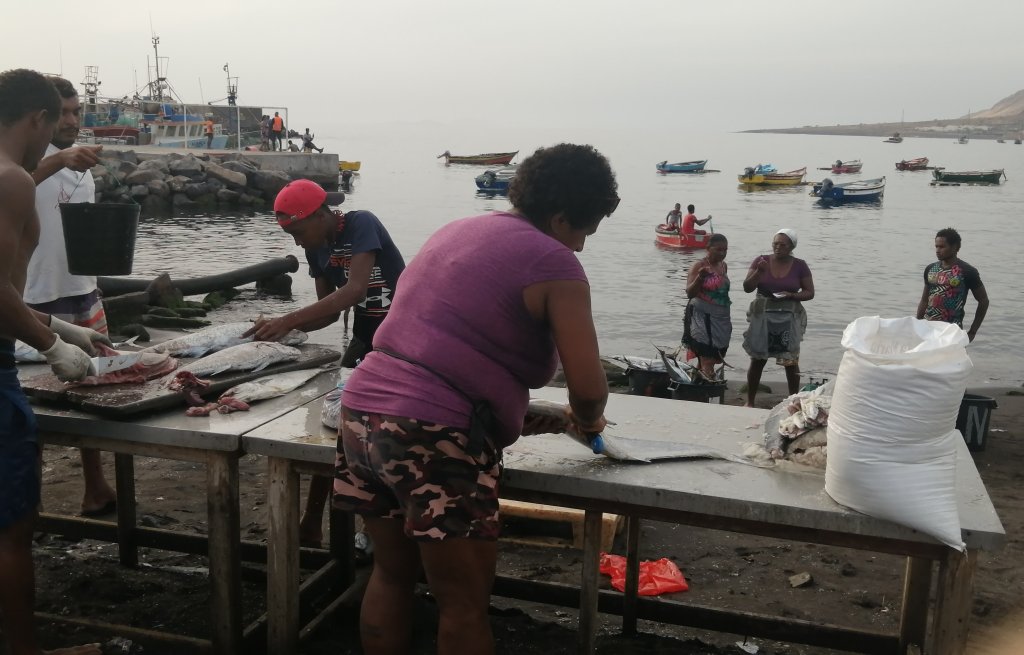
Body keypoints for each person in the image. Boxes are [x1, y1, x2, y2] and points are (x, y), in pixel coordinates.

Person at [333, 143, 615, 655]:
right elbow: (590, 388)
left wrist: (518, 411)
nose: (581, 248)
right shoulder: (555, 262)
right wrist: (589, 420)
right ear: (560, 218)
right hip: (431, 437)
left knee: (392, 574)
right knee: (461, 602)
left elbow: (443, 349)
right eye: (584, 233)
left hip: (362, 413)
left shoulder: (459, 230)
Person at [0, 67, 106, 655]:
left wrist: (61, 325)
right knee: (12, 530)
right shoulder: (12, 179)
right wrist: (52, 346)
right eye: (53, 123)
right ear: (37, 118)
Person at [246, 179, 406, 546]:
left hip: (402, 338)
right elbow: (329, 315)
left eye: (298, 231)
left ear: (322, 215)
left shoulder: (361, 223)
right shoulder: (315, 249)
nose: (297, 242)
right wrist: (280, 328)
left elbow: (355, 290)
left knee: (382, 432)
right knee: (331, 427)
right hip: (367, 338)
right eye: (290, 236)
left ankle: (377, 525)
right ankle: (312, 519)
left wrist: (288, 318)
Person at [24, 76, 117, 517]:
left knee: (95, 388)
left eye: (77, 112)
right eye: (63, 112)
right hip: (32, 296)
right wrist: (57, 158)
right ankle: (32, 503)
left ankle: (96, 487)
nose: (72, 121)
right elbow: (18, 184)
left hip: (82, 291)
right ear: (40, 115)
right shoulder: (26, 157)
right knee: (30, 405)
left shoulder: (81, 166)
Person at [741, 228, 814, 407]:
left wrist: (791, 295)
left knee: (790, 360)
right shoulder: (761, 260)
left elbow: (809, 292)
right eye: (775, 244)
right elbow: (747, 287)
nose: (778, 247)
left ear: (791, 246)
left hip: (788, 315)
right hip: (763, 313)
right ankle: (750, 401)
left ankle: (794, 402)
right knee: (758, 358)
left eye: (783, 244)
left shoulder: (800, 265)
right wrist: (759, 271)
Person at [916, 227, 988, 341]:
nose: (937, 250)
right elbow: (924, 300)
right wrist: (917, 325)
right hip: (928, 330)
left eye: (942, 247)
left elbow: (983, 301)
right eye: (936, 246)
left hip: (952, 332)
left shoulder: (967, 271)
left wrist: (973, 331)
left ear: (955, 247)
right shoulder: (930, 269)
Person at [682, 233, 731, 380]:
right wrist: (700, 277)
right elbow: (690, 293)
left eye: (725, 250)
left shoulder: (723, 266)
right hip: (700, 316)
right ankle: (710, 392)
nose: (722, 253)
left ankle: (694, 385)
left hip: (720, 318)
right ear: (708, 248)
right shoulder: (699, 266)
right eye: (718, 249)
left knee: (711, 356)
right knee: (706, 357)